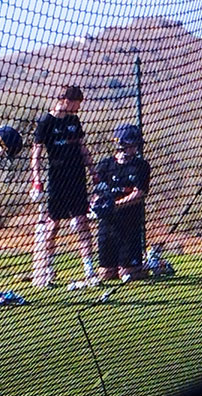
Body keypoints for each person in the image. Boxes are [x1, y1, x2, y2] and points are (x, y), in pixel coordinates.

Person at [29, 85, 96, 288]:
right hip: (57, 178)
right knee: (53, 224)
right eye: (77, 103)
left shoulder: (74, 120)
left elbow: (83, 149)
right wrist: (37, 180)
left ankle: (89, 270)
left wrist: (94, 173)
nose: (78, 108)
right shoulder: (46, 121)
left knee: (82, 221)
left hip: (77, 178)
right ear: (67, 100)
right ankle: (47, 270)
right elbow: (36, 154)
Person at [89, 123, 151, 283]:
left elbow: (139, 193)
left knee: (126, 275)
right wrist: (96, 205)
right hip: (108, 225)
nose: (135, 148)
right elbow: (97, 192)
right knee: (106, 274)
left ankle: (154, 265)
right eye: (132, 144)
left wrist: (115, 205)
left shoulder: (141, 166)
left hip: (130, 224)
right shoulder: (105, 165)